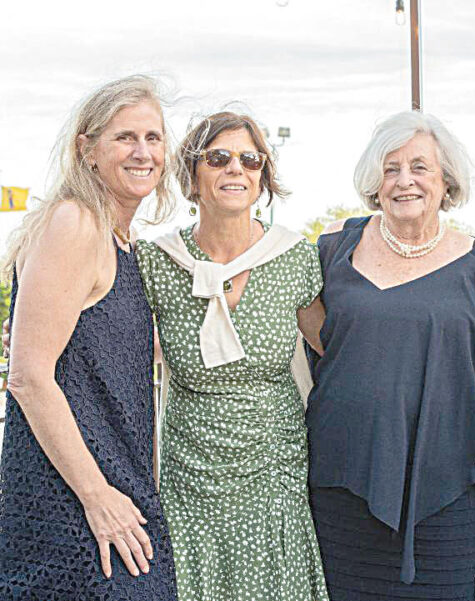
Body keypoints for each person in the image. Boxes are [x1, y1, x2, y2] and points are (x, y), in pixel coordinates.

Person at [304, 110, 475, 601]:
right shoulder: (333, 251)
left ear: (445, 179)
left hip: (447, 491)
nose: (405, 181)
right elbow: (318, 349)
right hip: (343, 484)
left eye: (420, 167)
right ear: (373, 182)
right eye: (391, 168)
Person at [135, 111, 329, 601]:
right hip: (188, 470)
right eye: (218, 158)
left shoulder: (294, 258)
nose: (235, 170)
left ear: (263, 177)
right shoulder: (156, 261)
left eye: (249, 159)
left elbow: (333, 352)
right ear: (192, 176)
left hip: (272, 466)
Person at [0, 75, 179, 599]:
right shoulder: (76, 224)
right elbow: (29, 378)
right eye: (125, 137)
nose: (142, 152)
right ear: (89, 150)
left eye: (153, 137)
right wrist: (96, 494)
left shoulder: (122, 240)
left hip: (114, 488)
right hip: (73, 502)